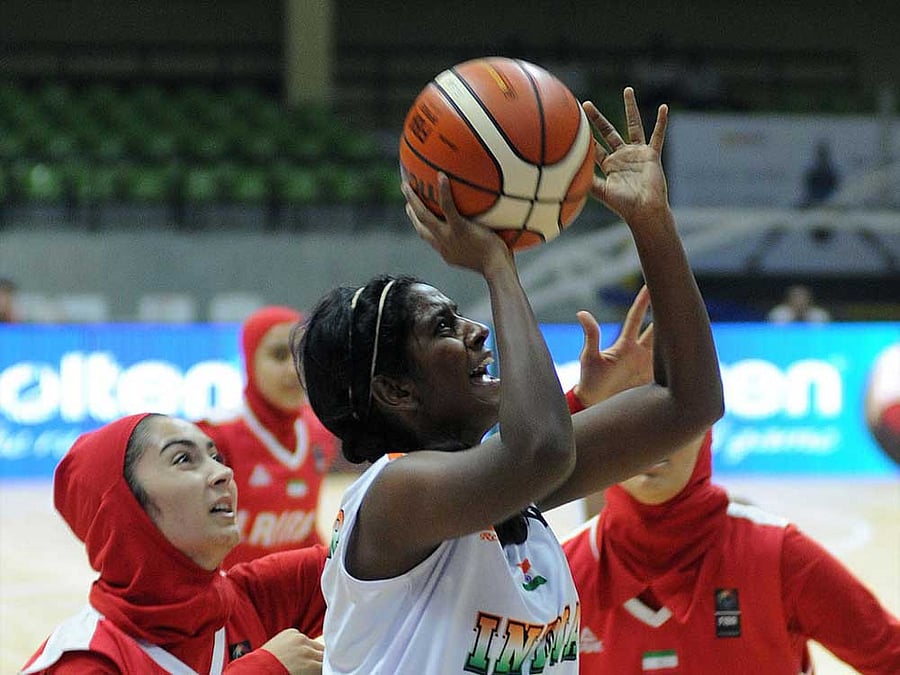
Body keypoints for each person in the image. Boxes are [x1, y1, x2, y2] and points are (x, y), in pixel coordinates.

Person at [295, 87, 724, 673]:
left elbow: (689, 404)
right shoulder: (397, 495)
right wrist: (497, 264)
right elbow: (541, 449)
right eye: (444, 327)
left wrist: (652, 223)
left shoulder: (500, 486)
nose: (477, 332)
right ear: (396, 390)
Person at [562, 301, 900, 674]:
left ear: (707, 426)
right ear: (603, 430)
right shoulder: (562, 575)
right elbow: (493, 502)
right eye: (628, 415)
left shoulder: (779, 556)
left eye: (669, 415)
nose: (652, 439)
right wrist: (578, 404)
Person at [21, 413, 327, 674]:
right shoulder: (84, 659)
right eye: (183, 459)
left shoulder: (253, 597)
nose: (224, 472)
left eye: (215, 457)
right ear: (124, 508)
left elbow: (366, 547)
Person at [197, 306, 339, 567]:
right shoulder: (215, 436)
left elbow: (305, 531)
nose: (293, 369)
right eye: (279, 355)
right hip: (229, 596)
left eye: (300, 355)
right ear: (250, 361)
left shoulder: (320, 431)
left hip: (292, 595)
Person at [767, 283, 832, 324]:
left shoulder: (819, 315)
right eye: (796, 297)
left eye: (803, 298)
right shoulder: (778, 314)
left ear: (810, 300)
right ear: (788, 300)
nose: (800, 302)